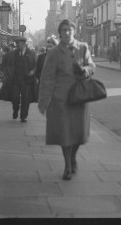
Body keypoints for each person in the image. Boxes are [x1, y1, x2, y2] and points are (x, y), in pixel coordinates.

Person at [38, 19, 96, 181]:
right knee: (65, 132)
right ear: (60, 33)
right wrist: (44, 101)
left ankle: (73, 157)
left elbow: (92, 67)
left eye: (69, 30)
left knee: (79, 132)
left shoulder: (83, 47)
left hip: (79, 97)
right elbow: (47, 77)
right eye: (63, 30)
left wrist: (84, 70)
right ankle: (67, 166)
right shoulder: (54, 52)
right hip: (61, 99)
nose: (66, 33)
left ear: (74, 31)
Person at [0, 36, 37, 122]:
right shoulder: (12, 53)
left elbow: (35, 66)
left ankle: (23, 117)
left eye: (17, 43)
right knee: (14, 97)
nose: (16, 45)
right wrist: (2, 72)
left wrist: (33, 72)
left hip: (27, 80)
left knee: (25, 99)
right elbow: (3, 63)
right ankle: (15, 109)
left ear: (23, 44)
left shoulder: (32, 53)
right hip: (15, 80)